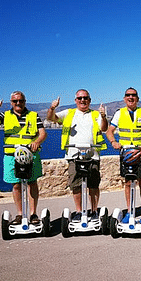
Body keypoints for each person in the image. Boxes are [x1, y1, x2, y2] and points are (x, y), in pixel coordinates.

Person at [0, 91, 47, 225]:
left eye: (21, 101)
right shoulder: (5, 115)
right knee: (16, 185)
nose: (18, 103)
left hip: (31, 154)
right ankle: (19, 214)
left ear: (25, 101)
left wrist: (37, 142)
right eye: (15, 101)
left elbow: (43, 134)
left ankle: (33, 213)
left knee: (32, 183)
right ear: (11, 102)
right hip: (11, 155)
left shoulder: (33, 116)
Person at [47, 89, 108, 217]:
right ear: (75, 100)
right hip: (73, 155)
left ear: (89, 100)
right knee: (76, 185)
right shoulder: (69, 113)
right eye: (79, 98)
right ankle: (79, 211)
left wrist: (103, 116)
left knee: (93, 185)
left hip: (93, 155)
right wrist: (52, 108)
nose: (82, 100)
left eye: (85, 98)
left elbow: (104, 128)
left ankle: (94, 211)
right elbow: (51, 118)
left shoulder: (95, 114)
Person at [106, 87, 141, 223]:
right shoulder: (119, 113)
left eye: (133, 95)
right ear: (124, 98)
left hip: (140, 152)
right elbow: (109, 131)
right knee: (128, 182)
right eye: (128, 95)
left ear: (137, 99)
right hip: (126, 152)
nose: (131, 97)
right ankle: (129, 211)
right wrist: (113, 142)